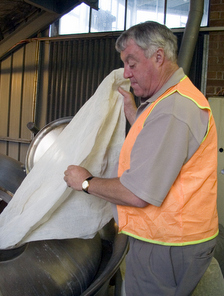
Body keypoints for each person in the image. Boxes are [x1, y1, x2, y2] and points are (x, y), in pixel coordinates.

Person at [64, 21, 218, 295]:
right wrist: (135, 116)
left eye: (131, 63)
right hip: (173, 239)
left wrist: (86, 182)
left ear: (158, 57)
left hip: (167, 245)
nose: (126, 73)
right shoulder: (169, 99)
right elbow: (162, 145)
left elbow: (137, 194)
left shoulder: (173, 109)